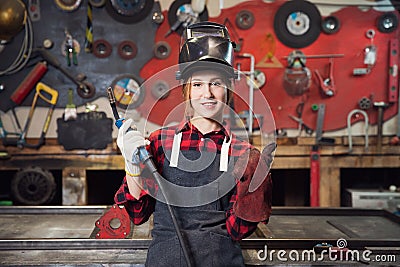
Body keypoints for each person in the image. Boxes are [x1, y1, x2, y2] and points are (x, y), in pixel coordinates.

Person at [114, 21, 274, 267]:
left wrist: (255, 190)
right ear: (186, 89)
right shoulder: (158, 143)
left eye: (216, 84)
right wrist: (132, 165)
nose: (207, 94)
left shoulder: (242, 153)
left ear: (228, 88)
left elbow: (236, 231)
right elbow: (138, 215)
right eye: (198, 84)